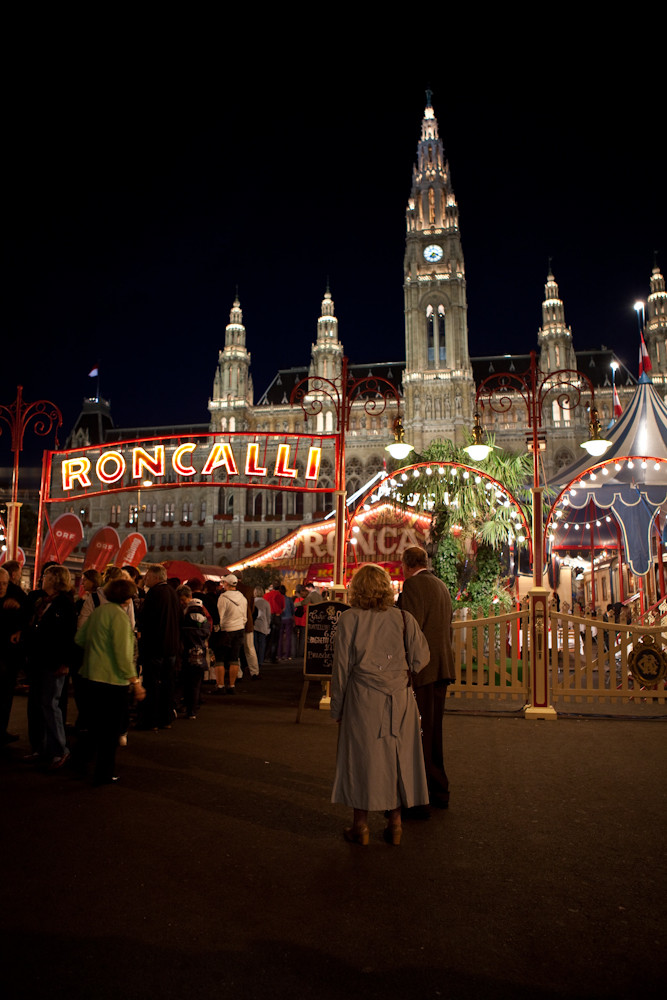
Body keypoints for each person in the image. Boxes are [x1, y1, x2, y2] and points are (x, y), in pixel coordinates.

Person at [331, 564, 430, 846]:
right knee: (397, 758)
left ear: (356, 588)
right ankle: (395, 824)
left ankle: (360, 826)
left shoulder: (349, 619)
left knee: (361, 759)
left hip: (363, 699)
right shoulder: (403, 618)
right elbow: (422, 658)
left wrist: (337, 708)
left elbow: (340, 670)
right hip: (399, 697)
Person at [397, 545, 455, 814]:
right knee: (434, 732)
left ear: (407, 565)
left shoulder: (412, 587)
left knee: (418, 733)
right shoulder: (441, 585)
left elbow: (410, 629)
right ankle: (438, 788)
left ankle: (419, 797)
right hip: (441, 667)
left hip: (422, 670)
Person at [74, 578, 145, 784]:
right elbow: (123, 655)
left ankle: (80, 761)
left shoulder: (98, 612)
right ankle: (104, 772)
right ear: (128, 598)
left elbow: (79, 639)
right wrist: (136, 682)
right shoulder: (120, 618)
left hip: (90, 675)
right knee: (110, 731)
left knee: (93, 724)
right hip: (113, 681)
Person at [24, 565, 77, 769]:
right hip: (39, 660)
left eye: (46, 575)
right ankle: (42, 747)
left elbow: (68, 635)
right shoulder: (41, 600)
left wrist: (65, 662)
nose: (42, 578)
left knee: (50, 704)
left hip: (53, 661)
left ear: (55, 579)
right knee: (39, 704)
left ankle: (60, 749)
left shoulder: (64, 604)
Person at [136, 564, 181, 730]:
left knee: (152, 683)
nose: (145, 579)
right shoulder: (172, 592)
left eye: (147, 576)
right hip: (171, 645)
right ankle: (166, 718)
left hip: (155, 646)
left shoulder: (154, 593)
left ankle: (150, 720)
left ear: (155, 577)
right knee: (168, 683)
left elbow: (143, 618)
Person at [0, 567, 26, 744]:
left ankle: (1, 730)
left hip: (9, 655)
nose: (2, 587)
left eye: (4, 583)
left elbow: (29, 611)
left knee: (5, 695)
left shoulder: (16, 594)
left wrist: (19, 627)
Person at [176, 584, 211, 718]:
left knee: (182, 681)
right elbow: (208, 633)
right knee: (196, 685)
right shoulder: (205, 623)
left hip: (185, 655)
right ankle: (193, 710)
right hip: (200, 656)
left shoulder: (183, 620)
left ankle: (176, 706)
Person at [216, 574, 247, 693]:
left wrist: (221, 628)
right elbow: (245, 617)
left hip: (226, 630)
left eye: (224, 583)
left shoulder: (223, 598)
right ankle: (232, 685)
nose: (223, 585)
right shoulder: (242, 598)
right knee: (234, 658)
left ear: (227, 584)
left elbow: (220, 616)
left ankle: (220, 686)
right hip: (239, 629)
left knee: (220, 659)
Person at [252, 586, 271, 667]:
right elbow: (268, 616)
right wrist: (268, 626)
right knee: (262, 644)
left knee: (254, 644)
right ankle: (260, 661)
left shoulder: (252, 602)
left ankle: (254, 661)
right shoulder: (266, 603)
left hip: (253, 625)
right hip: (263, 625)